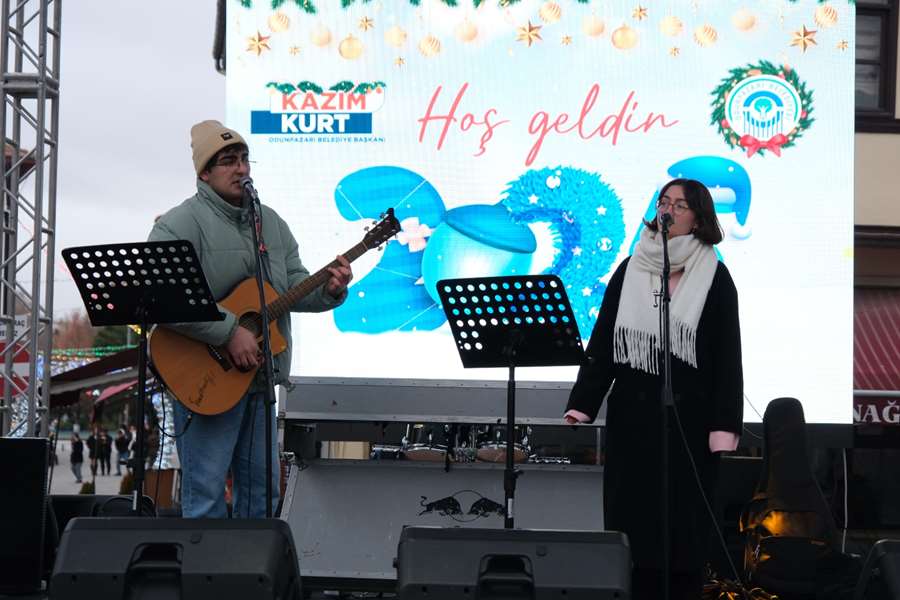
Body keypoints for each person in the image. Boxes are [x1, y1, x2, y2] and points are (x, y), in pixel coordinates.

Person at [148, 120, 352, 518]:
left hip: (260, 380)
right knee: (205, 496)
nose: (241, 168)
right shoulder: (178, 224)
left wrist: (330, 290)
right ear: (204, 173)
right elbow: (165, 299)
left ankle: (253, 560)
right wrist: (229, 332)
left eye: (244, 159)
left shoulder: (271, 223)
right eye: (228, 161)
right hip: (206, 381)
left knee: (263, 496)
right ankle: (206, 560)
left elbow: (292, 286)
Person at [564, 178, 743, 600]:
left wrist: (723, 427)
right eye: (665, 202)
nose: (669, 210)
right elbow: (604, 341)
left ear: (698, 218)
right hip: (634, 420)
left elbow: (727, 356)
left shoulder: (715, 275)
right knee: (632, 527)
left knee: (683, 529)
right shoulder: (631, 268)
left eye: (681, 205)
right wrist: (583, 403)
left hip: (689, 425)